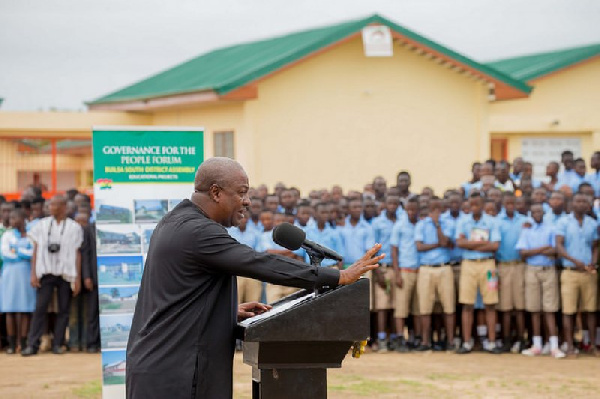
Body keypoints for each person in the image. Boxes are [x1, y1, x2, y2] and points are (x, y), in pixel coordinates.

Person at [125, 158, 382, 399]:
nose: (247, 201)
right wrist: (338, 276)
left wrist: (225, 311)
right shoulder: (198, 232)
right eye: (241, 192)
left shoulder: (178, 221)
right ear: (215, 192)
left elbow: (177, 295)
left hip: (164, 367)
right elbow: (259, 263)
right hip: (174, 375)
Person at [22, 195, 83, 356]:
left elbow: (77, 253)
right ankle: (32, 345)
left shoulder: (74, 227)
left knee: (63, 310)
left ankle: (58, 344)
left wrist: (77, 278)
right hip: (46, 272)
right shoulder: (41, 225)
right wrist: (33, 274)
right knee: (40, 309)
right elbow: (35, 250)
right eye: (50, 205)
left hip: (66, 273)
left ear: (63, 207)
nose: (51, 207)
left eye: (55, 205)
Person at [455, 192, 502, 354]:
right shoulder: (463, 222)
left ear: (482, 205)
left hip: (488, 265)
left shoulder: (491, 222)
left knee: (490, 304)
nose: (474, 207)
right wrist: (482, 244)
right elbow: (459, 243)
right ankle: (467, 342)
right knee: (467, 304)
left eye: (477, 204)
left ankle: (492, 342)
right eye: (472, 205)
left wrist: (471, 244)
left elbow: (495, 246)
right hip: (469, 265)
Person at [516, 204, 565, 358]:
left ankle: (554, 346)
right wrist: (543, 248)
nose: (537, 214)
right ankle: (536, 345)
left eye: (539, 211)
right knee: (534, 309)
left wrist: (534, 251)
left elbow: (555, 251)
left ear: (544, 213)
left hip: (548, 269)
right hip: (531, 270)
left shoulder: (551, 228)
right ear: (531, 213)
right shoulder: (526, 230)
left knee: (549, 309)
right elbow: (523, 253)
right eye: (534, 211)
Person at [556, 193, 599, 357]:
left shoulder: (592, 224)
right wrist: (574, 261)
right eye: (578, 201)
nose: (581, 204)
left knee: (591, 310)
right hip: (570, 272)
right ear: (572, 204)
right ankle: (569, 346)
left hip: (588, 273)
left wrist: (593, 262)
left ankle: (593, 346)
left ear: (588, 205)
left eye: (584, 201)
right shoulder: (563, 222)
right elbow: (559, 247)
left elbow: (595, 246)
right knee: (569, 311)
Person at [415, 198, 456, 351]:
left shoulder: (448, 223)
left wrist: (438, 224)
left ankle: (451, 342)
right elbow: (419, 246)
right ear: (429, 210)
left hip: (444, 268)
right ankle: (426, 342)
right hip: (426, 269)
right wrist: (438, 245)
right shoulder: (421, 224)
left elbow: (445, 242)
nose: (436, 212)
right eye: (433, 209)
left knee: (449, 306)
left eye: (439, 209)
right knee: (425, 307)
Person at [1, 209, 36, 354]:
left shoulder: (31, 234)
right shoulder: (7, 235)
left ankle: (22, 342)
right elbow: (5, 253)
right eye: (11, 218)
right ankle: (11, 343)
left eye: (15, 218)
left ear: (24, 219)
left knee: (25, 309)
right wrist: (23, 253)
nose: (12, 220)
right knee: (10, 309)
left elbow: (33, 253)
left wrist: (16, 250)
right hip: (10, 273)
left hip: (26, 273)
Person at [495, 192, 527, 353]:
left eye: (512, 202)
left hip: (520, 266)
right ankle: (506, 340)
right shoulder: (497, 222)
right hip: (503, 266)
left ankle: (521, 339)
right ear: (502, 204)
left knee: (519, 306)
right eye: (506, 202)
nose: (510, 205)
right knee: (505, 307)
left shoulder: (524, 221)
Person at [390, 197, 421, 352]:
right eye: (408, 209)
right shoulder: (399, 226)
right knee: (401, 308)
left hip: (420, 271)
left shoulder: (422, 224)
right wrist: (397, 273)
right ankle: (400, 338)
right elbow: (394, 250)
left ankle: (416, 338)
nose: (411, 212)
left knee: (417, 308)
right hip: (405, 271)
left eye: (414, 209)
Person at [371, 195, 400, 352]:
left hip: (398, 268)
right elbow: (373, 249)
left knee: (396, 305)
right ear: (385, 204)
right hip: (382, 267)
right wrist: (377, 272)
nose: (393, 206)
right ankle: (382, 338)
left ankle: (394, 338)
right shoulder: (377, 223)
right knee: (382, 306)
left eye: (396, 203)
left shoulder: (401, 221)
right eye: (390, 203)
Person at [227, 210, 262, 304]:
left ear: (248, 219)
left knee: (254, 303)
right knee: (235, 303)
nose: (242, 219)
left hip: (252, 273)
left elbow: (258, 252)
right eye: (240, 216)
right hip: (236, 273)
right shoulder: (228, 232)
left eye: (245, 217)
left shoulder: (255, 233)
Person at [80, 211, 100, 353]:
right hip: (94, 277)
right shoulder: (88, 229)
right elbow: (85, 254)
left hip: (109, 279)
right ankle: (92, 343)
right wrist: (86, 276)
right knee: (92, 312)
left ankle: (102, 342)